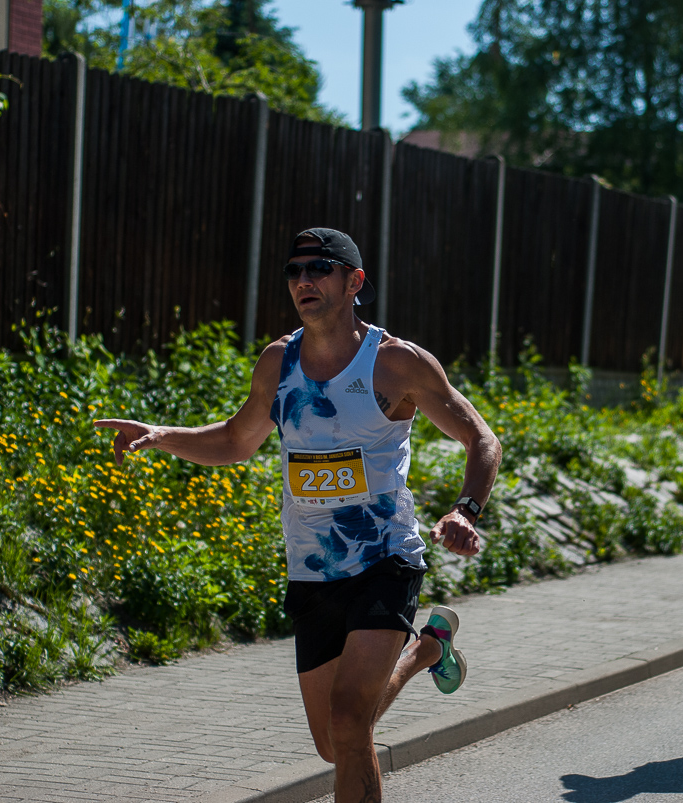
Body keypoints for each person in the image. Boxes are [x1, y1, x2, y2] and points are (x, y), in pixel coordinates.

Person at [95, 227, 502, 802]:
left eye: (319, 268)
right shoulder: (278, 362)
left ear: (354, 281)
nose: (303, 280)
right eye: (294, 270)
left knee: (349, 719)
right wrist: (162, 434)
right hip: (311, 569)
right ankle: (427, 650)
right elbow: (236, 440)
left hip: (384, 558)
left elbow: (481, 438)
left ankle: (421, 647)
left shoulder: (395, 363)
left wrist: (465, 510)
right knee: (334, 742)